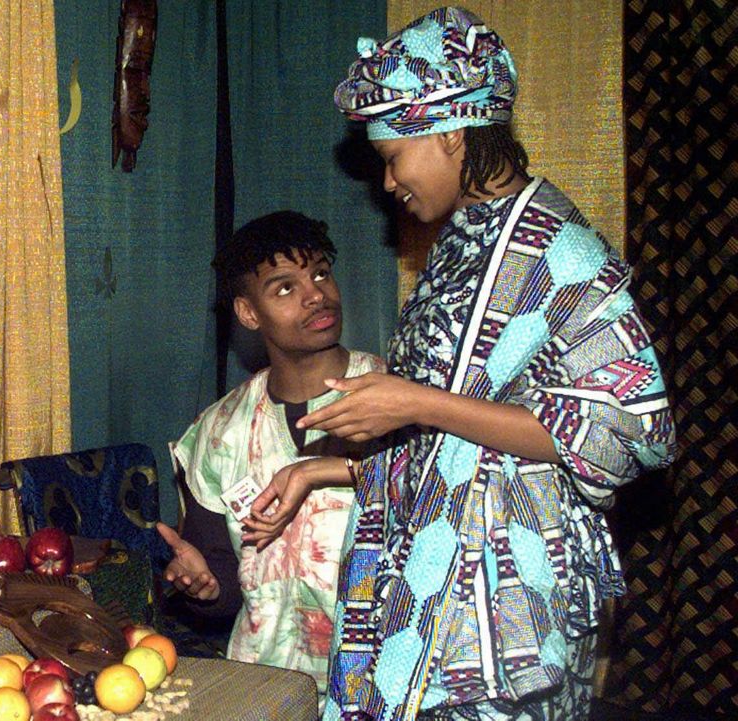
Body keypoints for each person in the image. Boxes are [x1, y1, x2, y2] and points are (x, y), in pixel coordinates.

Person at [242, 8, 677, 721]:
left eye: (392, 157)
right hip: (427, 605)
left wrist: (415, 402)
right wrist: (317, 469)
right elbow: (463, 448)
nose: (388, 183)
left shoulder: (561, 253)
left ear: (450, 132)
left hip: (496, 624)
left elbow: (630, 428)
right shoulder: (461, 243)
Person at [159, 210, 386, 691]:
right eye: (285, 288)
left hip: (382, 681)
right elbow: (224, 578)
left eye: (321, 273)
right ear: (248, 313)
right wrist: (206, 585)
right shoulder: (219, 432)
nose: (316, 296)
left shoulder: (394, 400)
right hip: (267, 684)